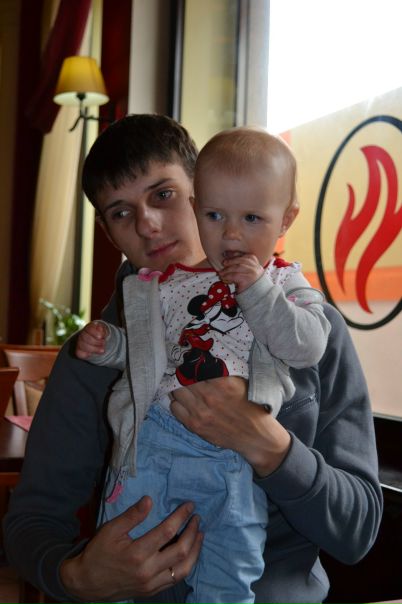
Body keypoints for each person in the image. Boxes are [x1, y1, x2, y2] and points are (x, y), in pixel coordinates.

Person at [3, 114, 382, 604]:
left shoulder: (310, 327)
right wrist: (77, 576)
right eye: (121, 212)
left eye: (163, 194)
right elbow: (31, 521)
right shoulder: (93, 353)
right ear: (108, 233)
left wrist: (271, 449)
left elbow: (358, 531)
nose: (147, 224)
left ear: (200, 193)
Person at [75, 127, 332, 603]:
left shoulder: (283, 282)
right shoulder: (166, 285)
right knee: (124, 550)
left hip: (231, 459)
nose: (231, 233)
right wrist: (111, 346)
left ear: (286, 220)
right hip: (155, 440)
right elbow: (151, 355)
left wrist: (257, 290)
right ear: (200, 208)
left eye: (251, 218)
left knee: (232, 567)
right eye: (215, 216)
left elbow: (308, 345)